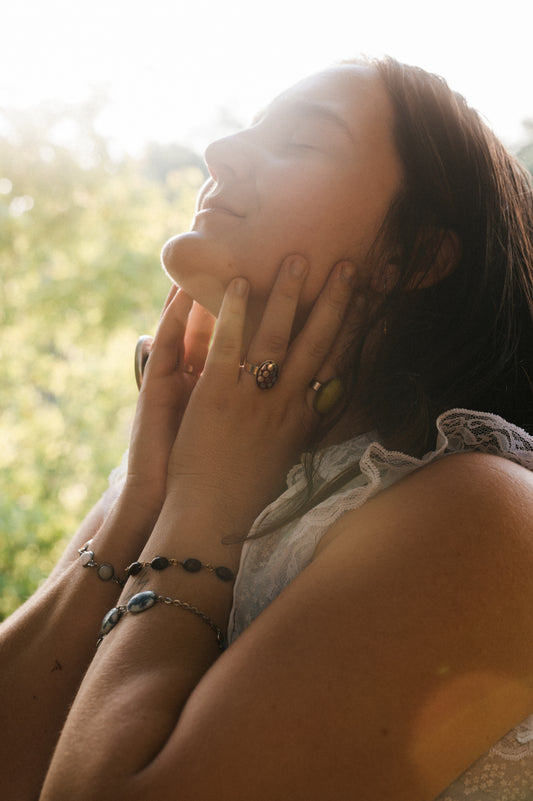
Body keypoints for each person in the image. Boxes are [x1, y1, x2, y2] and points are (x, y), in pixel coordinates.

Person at [2, 56, 533, 801]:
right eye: (246, 128)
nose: (220, 152)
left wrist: (204, 507)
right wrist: (140, 502)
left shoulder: (485, 511)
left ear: (411, 257)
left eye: (302, 141)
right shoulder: (179, 477)